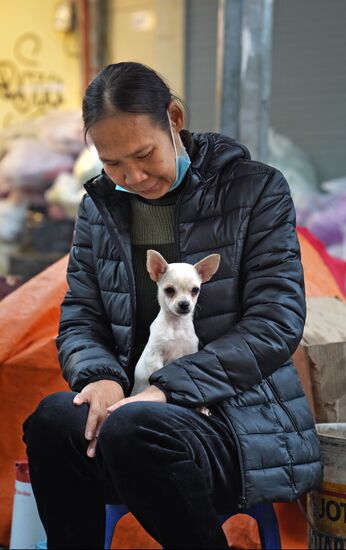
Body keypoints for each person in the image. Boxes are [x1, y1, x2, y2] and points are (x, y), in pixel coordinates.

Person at [23, 61, 322, 549]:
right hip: (135, 418)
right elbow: (81, 316)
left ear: (175, 118)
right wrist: (98, 376)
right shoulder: (100, 210)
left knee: (137, 429)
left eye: (144, 154)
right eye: (113, 164)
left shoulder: (256, 190)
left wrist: (166, 390)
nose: (133, 176)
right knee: (53, 421)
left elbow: (275, 324)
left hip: (238, 426)